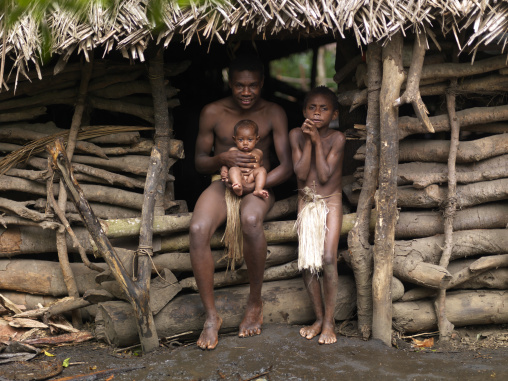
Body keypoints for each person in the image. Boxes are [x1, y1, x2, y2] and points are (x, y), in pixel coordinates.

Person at [189, 55, 292, 350]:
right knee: (197, 229)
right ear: (229, 82)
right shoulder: (212, 112)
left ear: (262, 83)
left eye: (253, 86)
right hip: (223, 183)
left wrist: (256, 183)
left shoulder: (274, 112)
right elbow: (198, 163)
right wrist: (222, 159)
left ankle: (255, 302)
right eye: (239, 86)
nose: (246, 92)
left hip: (261, 183)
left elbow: (286, 166)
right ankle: (211, 317)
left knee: (250, 221)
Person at [289, 86, 345, 345]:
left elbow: (323, 175)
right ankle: (319, 318)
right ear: (303, 111)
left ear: (334, 113)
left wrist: (315, 140)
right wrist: (309, 140)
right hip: (307, 200)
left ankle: (331, 321)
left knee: (328, 258)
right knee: (308, 259)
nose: (317, 113)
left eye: (324, 109)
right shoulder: (295, 136)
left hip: (330, 201)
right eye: (312, 107)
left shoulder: (337, 138)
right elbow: (301, 174)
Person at [220, 119, 269, 199]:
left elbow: (261, 165)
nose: (245, 143)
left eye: (250, 140)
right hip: (239, 177)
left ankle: (258, 189)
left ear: (257, 139)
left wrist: (259, 172)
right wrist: (224, 170)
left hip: (251, 178)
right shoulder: (232, 151)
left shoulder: (259, 152)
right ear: (234, 139)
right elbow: (225, 163)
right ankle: (237, 186)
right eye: (240, 140)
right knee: (233, 169)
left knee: (262, 170)